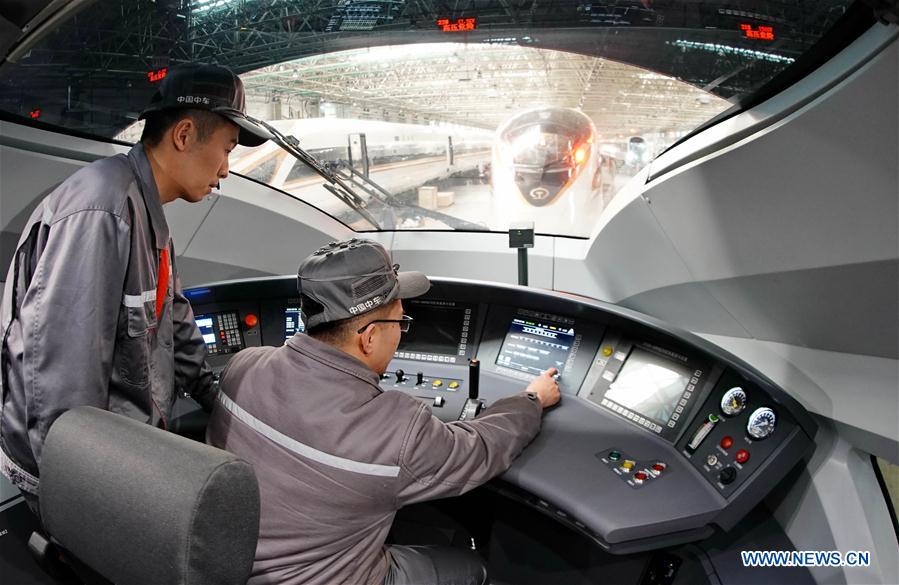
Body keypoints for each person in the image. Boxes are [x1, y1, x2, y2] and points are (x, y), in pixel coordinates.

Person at [207, 238, 561, 585]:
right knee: (471, 566)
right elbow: (480, 449)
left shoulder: (244, 365)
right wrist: (531, 399)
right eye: (401, 321)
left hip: (227, 565)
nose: (401, 333)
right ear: (370, 337)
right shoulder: (395, 428)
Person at [0, 63, 272, 512]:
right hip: (74, 469)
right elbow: (63, 379)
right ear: (183, 135)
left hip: (119, 446)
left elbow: (175, 321)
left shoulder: (145, 210)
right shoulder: (103, 210)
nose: (226, 169)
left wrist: (222, 404)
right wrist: (76, 502)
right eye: (226, 149)